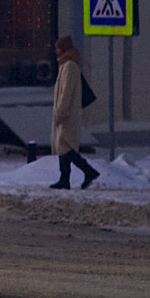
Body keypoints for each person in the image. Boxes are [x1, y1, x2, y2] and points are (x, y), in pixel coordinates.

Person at [50, 35, 99, 190]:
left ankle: (87, 171)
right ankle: (65, 179)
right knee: (63, 147)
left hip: (68, 114)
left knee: (66, 147)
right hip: (66, 113)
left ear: (63, 49)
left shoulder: (69, 67)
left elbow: (66, 93)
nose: (55, 50)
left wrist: (61, 112)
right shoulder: (65, 65)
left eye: (58, 47)